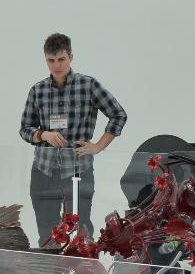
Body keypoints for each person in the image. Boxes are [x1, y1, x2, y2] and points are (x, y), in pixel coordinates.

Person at [18, 32, 127, 240]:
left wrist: (99, 146)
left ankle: (82, 261)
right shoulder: (37, 90)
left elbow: (118, 114)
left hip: (78, 171)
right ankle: (50, 261)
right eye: (51, 60)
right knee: (47, 233)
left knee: (81, 231)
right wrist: (43, 134)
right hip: (43, 171)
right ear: (45, 60)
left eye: (61, 59)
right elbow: (25, 129)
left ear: (71, 57)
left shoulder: (88, 85)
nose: (56, 65)